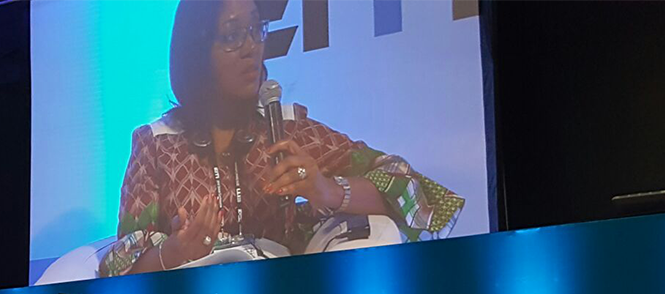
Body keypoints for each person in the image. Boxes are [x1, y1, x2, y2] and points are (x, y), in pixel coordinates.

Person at [98, 0, 464, 277]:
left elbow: (403, 180)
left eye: (255, 29)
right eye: (232, 35)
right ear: (197, 51)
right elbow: (118, 266)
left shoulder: (288, 128)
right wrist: (174, 252)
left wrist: (326, 190)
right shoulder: (157, 144)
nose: (251, 47)